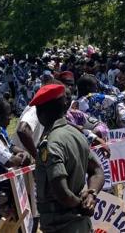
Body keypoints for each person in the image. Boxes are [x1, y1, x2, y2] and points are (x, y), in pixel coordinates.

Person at [32, 83, 104, 233]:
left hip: (60, 225)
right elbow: (97, 170)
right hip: (81, 225)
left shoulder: (49, 144)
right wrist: (91, 195)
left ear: (41, 113)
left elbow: (62, 192)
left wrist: (81, 205)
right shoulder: (76, 134)